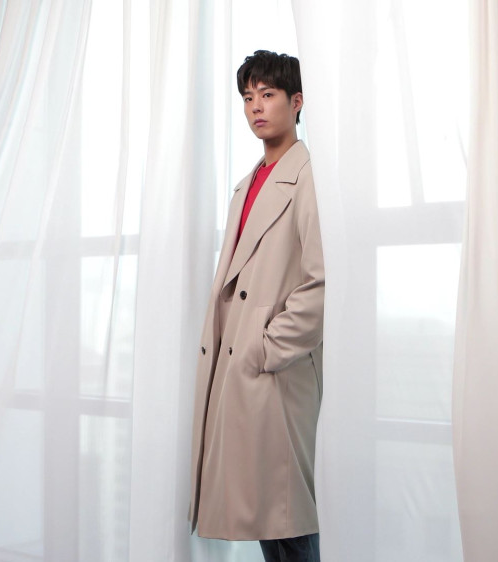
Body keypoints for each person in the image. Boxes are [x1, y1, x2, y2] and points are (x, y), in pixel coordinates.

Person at [188, 50, 325, 562]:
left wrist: (264, 349)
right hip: (242, 369)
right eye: (248, 98)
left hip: (276, 373)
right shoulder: (247, 184)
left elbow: (321, 282)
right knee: (274, 519)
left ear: (297, 102)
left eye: (268, 95)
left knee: (286, 519)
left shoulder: (309, 177)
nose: (256, 107)